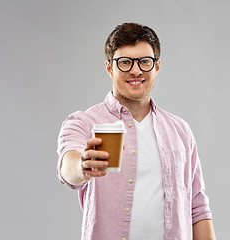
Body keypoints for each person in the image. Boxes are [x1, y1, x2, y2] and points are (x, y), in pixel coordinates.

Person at [57, 22, 216, 240]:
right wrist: (82, 167)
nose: (136, 70)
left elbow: (197, 207)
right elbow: (68, 166)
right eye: (124, 62)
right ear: (109, 68)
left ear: (157, 66)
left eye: (144, 61)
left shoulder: (180, 131)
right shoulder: (84, 123)